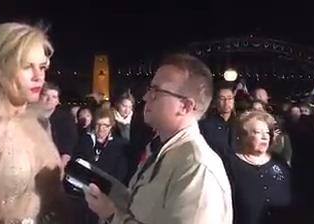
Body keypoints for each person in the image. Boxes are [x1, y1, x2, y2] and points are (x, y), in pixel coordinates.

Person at [85, 54, 233, 224]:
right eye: (149, 89)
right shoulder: (160, 150)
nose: (146, 97)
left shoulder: (197, 168)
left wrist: (112, 215)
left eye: (157, 91)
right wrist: (112, 195)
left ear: (185, 106)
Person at [0, 22, 72, 224]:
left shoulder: (41, 125)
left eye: (42, 67)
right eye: (27, 67)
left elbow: (58, 205)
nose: (38, 76)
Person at [228, 111, 293, 224]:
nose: (265, 137)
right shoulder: (229, 165)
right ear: (242, 136)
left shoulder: (279, 162)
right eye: (258, 132)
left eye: (267, 133)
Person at [74, 107, 129, 224]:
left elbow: (120, 173)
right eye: (98, 124)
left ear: (111, 126)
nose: (101, 129)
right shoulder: (85, 141)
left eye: (106, 125)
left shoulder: (120, 145)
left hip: (109, 196)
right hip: (84, 195)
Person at [39, 82, 78, 167]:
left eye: (54, 97)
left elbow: (67, 150)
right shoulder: (30, 117)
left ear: (57, 101)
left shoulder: (66, 120)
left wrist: (60, 169)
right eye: (46, 95)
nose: (49, 100)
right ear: (39, 97)